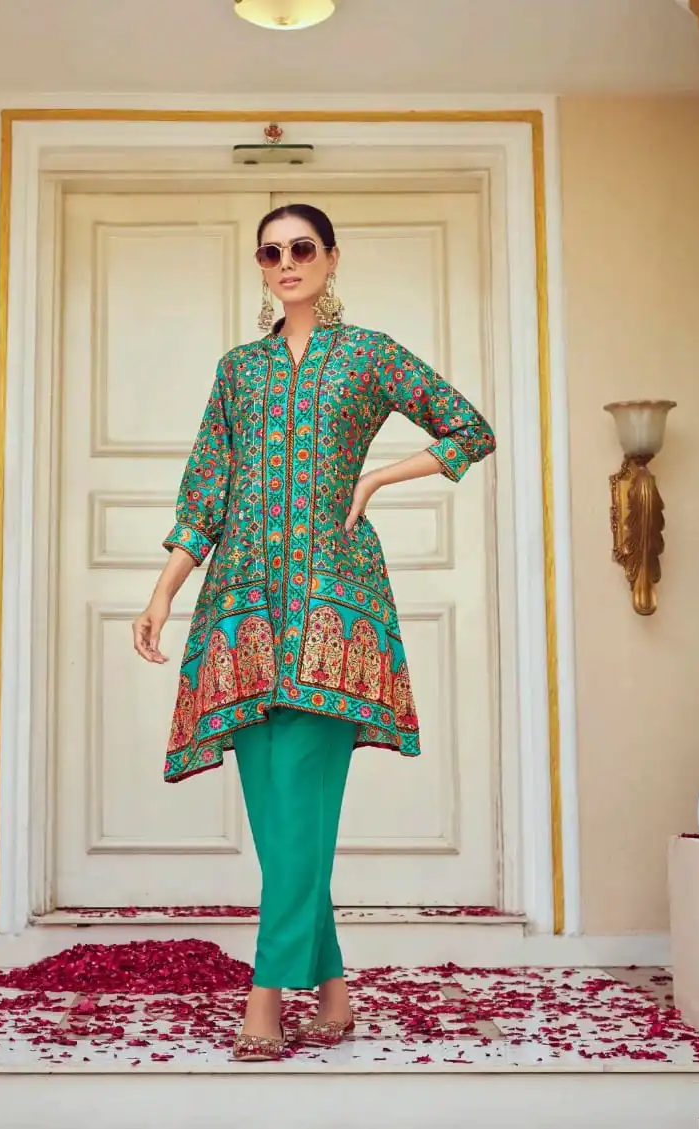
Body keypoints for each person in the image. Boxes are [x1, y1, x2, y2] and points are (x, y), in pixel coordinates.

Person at [132, 203, 496, 1061]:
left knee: (300, 811)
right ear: (261, 267)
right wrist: (162, 594)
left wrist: (378, 477)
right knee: (283, 823)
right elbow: (205, 494)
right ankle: (334, 992)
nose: (286, 262)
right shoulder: (239, 371)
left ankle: (264, 998)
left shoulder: (367, 355)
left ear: (331, 257)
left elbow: (470, 429)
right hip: (241, 615)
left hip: (337, 612)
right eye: (271, 252)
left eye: (301, 248)